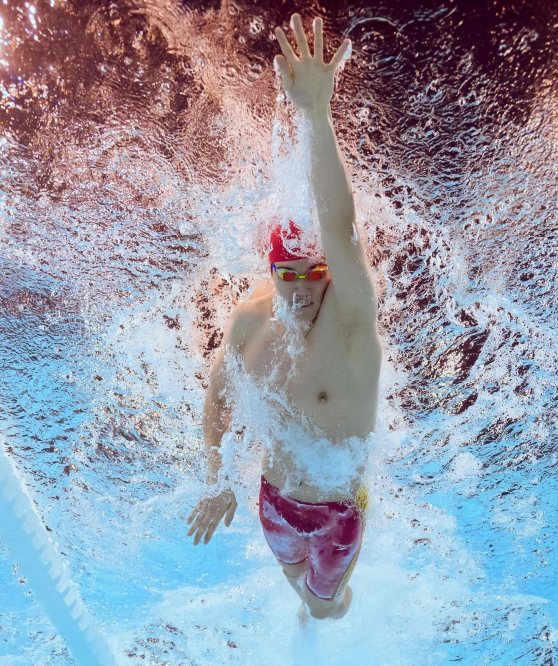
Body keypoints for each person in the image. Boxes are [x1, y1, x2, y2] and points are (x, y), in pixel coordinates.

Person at [185, 14, 380, 621]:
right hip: (273, 504)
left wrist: (315, 116)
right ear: (269, 272)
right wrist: (216, 479)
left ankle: (322, 608)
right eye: (286, 274)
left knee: (326, 608)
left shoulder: (350, 327)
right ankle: (302, 597)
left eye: (314, 274)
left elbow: (341, 233)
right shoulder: (250, 319)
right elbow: (216, 396)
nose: (299, 290)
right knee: (294, 583)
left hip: (337, 515)